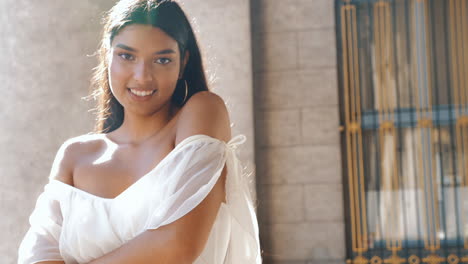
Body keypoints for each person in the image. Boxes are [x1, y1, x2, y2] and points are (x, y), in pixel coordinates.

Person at [17, 0, 262, 263]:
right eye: (127, 56)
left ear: (183, 63)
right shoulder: (75, 157)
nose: (142, 76)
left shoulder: (202, 112)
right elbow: (37, 256)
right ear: (107, 55)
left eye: (162, 59)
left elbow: (178, 245)